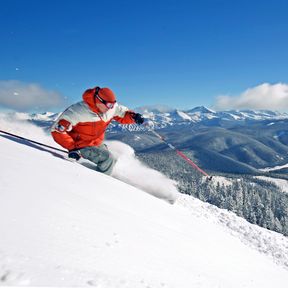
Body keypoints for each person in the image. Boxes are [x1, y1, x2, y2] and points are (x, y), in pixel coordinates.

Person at [51, 86, 144, 175]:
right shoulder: (77, 111)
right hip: (81, 145)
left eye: (112, 105)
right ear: (99, 100)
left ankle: (100, 174)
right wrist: (72, 148)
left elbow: (122, 112)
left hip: (95, 142)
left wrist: (133, 117)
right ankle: (98, 184)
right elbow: (57, 131)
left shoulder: (109, 109)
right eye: (109, 105)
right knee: (108, 159)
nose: (110, 108)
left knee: (114, 158)